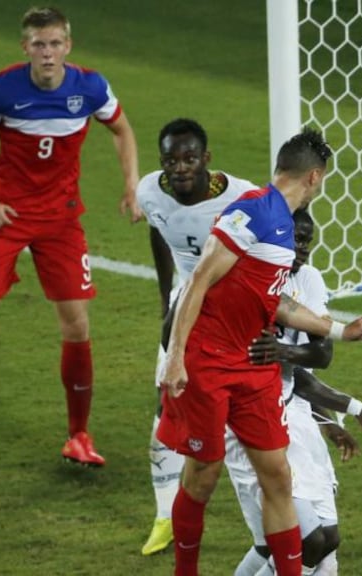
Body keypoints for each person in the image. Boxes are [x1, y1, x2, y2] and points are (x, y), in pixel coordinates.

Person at [157, 127, 362, 576]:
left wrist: (338, 330)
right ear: (314, 177)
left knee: (277, 475)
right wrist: (176, 356)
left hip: (253, 364)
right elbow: (199, 280)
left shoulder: (281, 224)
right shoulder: (254, 211)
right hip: (211, 360)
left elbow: (275, 300)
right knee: (204, 472)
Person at [0, 6, 140, 467]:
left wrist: (130, 185)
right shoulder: (1, 88)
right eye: (38, 45)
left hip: (62, 218)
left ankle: (78, 435)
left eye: (55, 43)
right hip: (7, 213)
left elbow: (122, 131)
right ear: (25, 48)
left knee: (77, 325)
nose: (47, 53)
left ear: (68, 45)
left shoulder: (90, 87)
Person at [227, 209, 362, 576]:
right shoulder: (250, 283)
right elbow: (292, 370)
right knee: (306, 541)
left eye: (307, 241)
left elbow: (318, 358)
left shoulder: (310, 280)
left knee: (326, 539)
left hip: (293, 411)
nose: (301, 248)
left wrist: (329, 421)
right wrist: (355, 410)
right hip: (253, 423)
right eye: (294, 239)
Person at [136, 118, 260, 555]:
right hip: (185, 307)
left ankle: (282, 500)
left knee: (255, 412)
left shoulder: (242, 198)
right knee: (165, 406)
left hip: (236, 314)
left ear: (206, 158)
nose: (181, 167)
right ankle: (164, 515)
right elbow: (157, 229)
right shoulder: (150, 191)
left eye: (190, 158)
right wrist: (165, 300)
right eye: (172, 160)